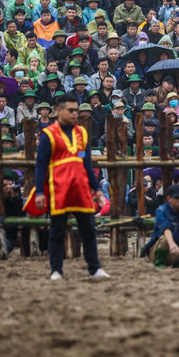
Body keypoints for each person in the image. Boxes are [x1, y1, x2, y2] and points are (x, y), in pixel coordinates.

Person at [33, 93, 109, 280]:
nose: (75, 113)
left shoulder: (82, 133)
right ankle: (56, 271)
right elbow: (41, 165)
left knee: (89, 230)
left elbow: (87, 164)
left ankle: (94, 268)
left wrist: (97, 189)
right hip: (59, 189)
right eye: (71, 110)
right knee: (57, 231)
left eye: (76, 110)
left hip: (81, 189)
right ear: (59, 111)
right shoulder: (48, 135)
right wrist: (40, 192)